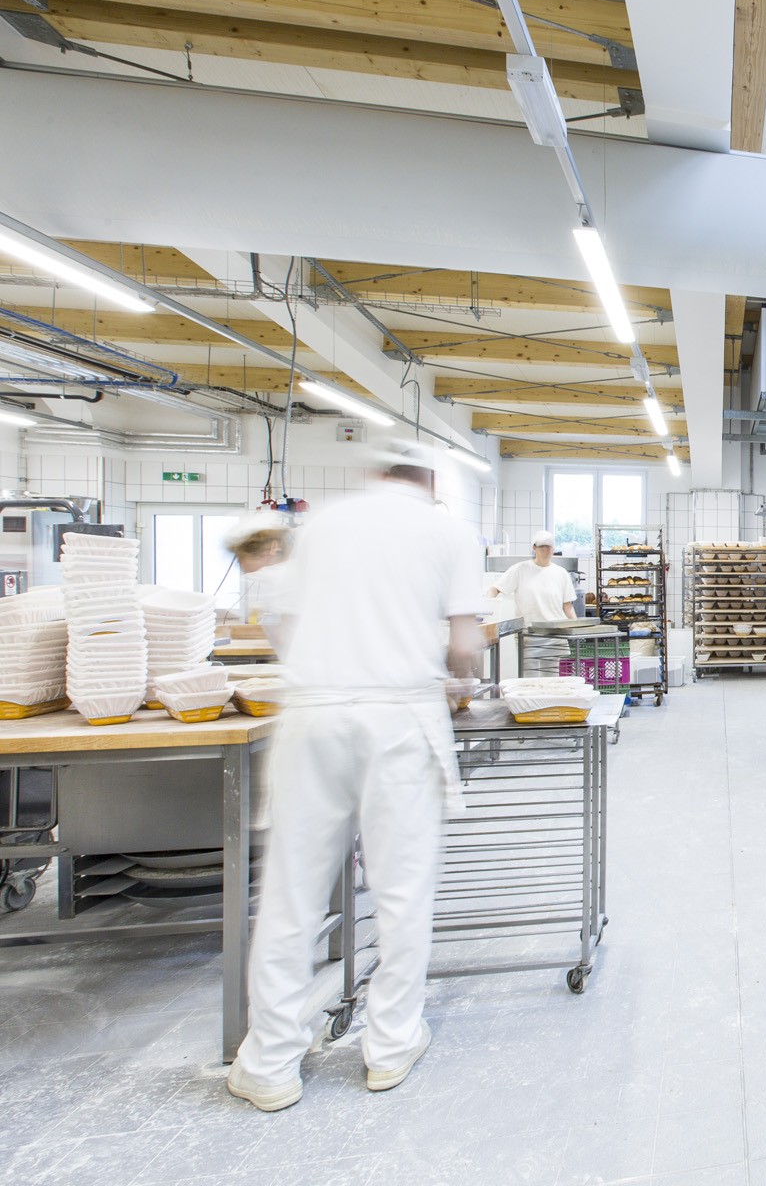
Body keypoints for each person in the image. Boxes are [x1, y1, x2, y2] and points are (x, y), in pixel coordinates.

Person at [227, 439, 484, 1112]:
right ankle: (390, 1048)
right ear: (429, 480)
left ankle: (270, 1063)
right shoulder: (447, 530)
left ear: (376, 474)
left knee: (291, 892)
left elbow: (282, 625)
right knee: (400, 890)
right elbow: (464, 644)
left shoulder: (321, 527)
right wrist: (461, 678)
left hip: (312, 714)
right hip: (398, 716)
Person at [225, 512, 296, 645]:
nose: (240, 565)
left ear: (268, 551)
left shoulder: (277, 577)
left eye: (240, 558)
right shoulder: (283, 573)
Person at [486, 530, 577, 622]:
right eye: (541, 546)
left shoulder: (561, 573)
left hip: (557, 632)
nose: (545, 550)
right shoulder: (520, 569)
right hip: (528, 632)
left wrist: (576, 627)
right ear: (534, 548)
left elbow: (567, 606)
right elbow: (495, 589)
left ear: (553, 549)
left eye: (548, 547)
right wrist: (487, 608)